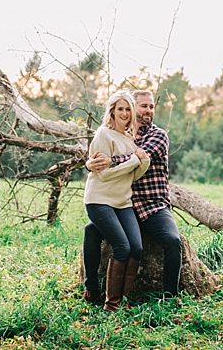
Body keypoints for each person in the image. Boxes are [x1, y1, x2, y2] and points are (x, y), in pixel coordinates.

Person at [84, 90, 183, 299]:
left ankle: (170, 296)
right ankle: (91, 288)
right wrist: (90, 163)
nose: (148, 110)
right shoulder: (121, 133)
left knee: (173, 240)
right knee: (91, 231)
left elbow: (137, 157)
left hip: (151, 205)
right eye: (143, 106)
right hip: (122, 203)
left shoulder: (157, 135)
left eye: (151, 106)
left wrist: (107, 161)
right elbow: (104, 153)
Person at [83, 90, 151, 311]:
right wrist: (134, 160)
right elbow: (104, 174)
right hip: (99, 199)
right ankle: (111, 305)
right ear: (112, 112)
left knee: (137, 248)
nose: (124, 113)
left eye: (127, 109)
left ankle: (125, 300)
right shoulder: (103, 134)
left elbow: (132, 175)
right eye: (119, 109)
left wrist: (144, 162)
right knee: (122, 247)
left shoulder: (130, 138)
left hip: (123, 202)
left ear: (132, 113)